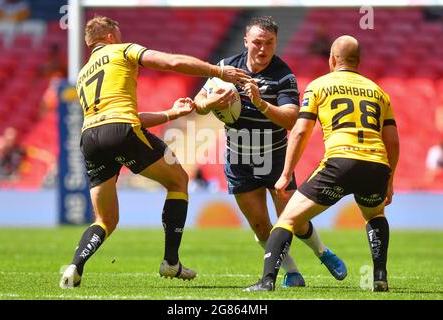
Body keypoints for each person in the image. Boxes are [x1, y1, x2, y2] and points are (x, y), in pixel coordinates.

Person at [59, 16, 250, 289]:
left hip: (90, 137)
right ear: (111, 36)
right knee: (178, 180)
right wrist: (219, 72)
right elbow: (171, 63)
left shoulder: (82, 75)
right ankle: (171, 262)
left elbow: (122, 117)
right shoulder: (123, 50)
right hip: (121, 129)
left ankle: (74, 267)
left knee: (105, 220)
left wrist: (172, 113)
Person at [194, 16, 346, 288]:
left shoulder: (283, 75)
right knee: (261, 226)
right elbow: (199, 103)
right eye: (257, 43)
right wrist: (213, 101)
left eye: (270, 43)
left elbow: (291, 118)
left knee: (294, 222)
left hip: (274, 158)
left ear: (276, 43)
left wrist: (260, 103)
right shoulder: (226, 67)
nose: (263, 49)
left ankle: (322, 252)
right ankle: (293, 273)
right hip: (239, 159)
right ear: (245, 42)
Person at [245, 35, 400, 292]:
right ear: (358, 61)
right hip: (376, 166)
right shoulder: (379, 93)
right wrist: (390, 180)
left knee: (288, 219)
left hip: (340, 163)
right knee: (375, 214)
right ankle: (380, 277)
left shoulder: (319, 85)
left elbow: (300, 131)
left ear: (332, 59)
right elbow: (393, 141)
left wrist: (285, 174)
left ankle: (267, 281)